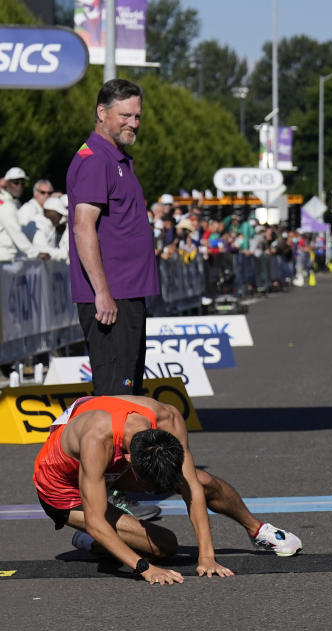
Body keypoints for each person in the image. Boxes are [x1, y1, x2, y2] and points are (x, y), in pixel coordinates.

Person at [33, 395, 302, 584]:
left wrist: (206, 557)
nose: (152, 491)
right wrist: (144, 568)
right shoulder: (96, 440)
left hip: (109, 464)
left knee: (202, 480)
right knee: (165, 546)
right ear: (127, 461)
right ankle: (91, 541)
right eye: (148, 485)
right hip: (62, 490)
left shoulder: (167, 418)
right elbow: (95, 520)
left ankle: (257, 530)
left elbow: (192, 488)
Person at [68, 78, 159, 397]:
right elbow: (82, 226)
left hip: (126, 292)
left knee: (127, 391)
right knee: (113, 396)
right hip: (112, 297)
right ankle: (104, 449)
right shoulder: (96, 160)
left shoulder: (116, 159)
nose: (133, 123)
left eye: (137, 116)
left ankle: (121, 449)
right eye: (125, 116)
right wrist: (102, 293)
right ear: (102, 112)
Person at [0, 167, 44, 261]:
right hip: (4, 258)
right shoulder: (6, 205)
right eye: (16, 182)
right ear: (7, 183)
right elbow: (15, 232)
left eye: (23, 183)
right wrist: (35, 253)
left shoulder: (12, 203)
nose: (20, 186)